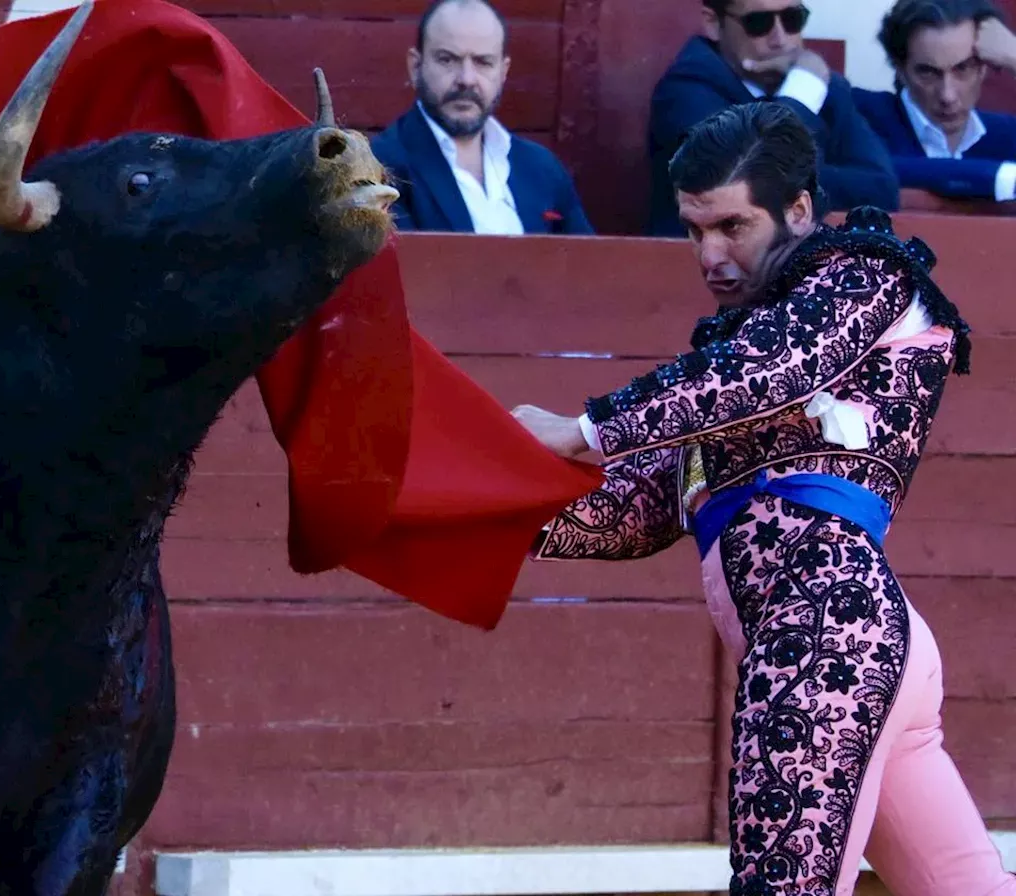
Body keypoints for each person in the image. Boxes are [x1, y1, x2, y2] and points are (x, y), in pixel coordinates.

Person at [512, 101, 1016, 895]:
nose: (710, 254)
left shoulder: (865, 275)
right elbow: (639, 509)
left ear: (800, 210)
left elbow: (770, 370)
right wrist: (482, 499)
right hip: (845, 644)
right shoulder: (732, 368)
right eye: (692, 230)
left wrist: (582, 428)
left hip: (825, 639)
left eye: (733, 228)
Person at [645, 0, 898, 236]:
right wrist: (801, 93)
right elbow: (755, 181)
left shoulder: (827, 89)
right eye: (759, 23)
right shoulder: (685, 93)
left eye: (792, 19)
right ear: (713, 23)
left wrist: (795, 181)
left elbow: (882, 189)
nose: (780, 39)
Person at [369, 0, 594, 235]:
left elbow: (590, 266)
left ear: (503, 72)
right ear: (415, 67)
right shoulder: (382, 168)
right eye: (447, 59)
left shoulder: (542, 168)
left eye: (483, 62)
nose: (467, 79)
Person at [854, 0, 1016, 203]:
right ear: (900, 70)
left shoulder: (1009, 135)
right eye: (928, 73)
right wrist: (1004, 178)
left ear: (984, 67)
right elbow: (874, 169)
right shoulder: (859, 118)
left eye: (963, 68)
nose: (947, 95)